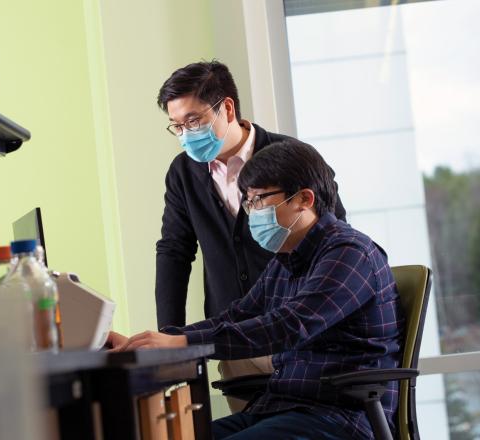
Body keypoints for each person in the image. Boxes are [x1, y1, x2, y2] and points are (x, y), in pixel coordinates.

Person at [108, 139, 405, 440]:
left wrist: (182, 343)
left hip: (339, 417)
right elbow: (237, 316)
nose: (252, 212)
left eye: (260, 199)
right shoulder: (286, 259)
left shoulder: (349, 253)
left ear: (304, 198)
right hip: (280, 408)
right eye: (248, 202)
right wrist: (153, 343)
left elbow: (288, 326)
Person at [154, 61, 347, 410]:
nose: (185, 135)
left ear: (226, 108)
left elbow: (332, 236)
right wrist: (168, 338)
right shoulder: (183, 173)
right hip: (235, 340)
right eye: (177, 126)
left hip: (299, 332)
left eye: (194, 121)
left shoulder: (293, 158)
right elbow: (174, 251)